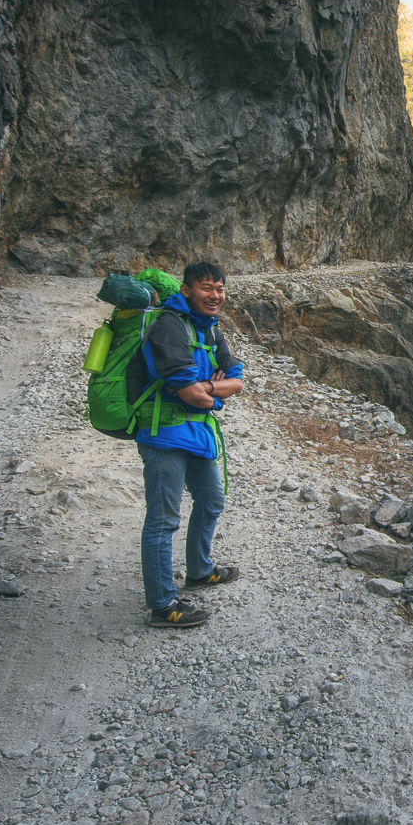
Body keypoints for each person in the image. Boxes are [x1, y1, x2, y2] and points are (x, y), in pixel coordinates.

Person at [134, 262, 245, 627]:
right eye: (206, 288)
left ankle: (199, 570)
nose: (215, 296)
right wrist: (213, 393)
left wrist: (210, 390)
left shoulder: (211, 330)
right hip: (164, 433)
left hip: (197, 433)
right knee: (163, 519)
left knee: (212, 501)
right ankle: (163, 606)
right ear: (185, 290)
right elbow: (189, 392)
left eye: (220, 289)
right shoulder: (169, 325)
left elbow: (237, 379)